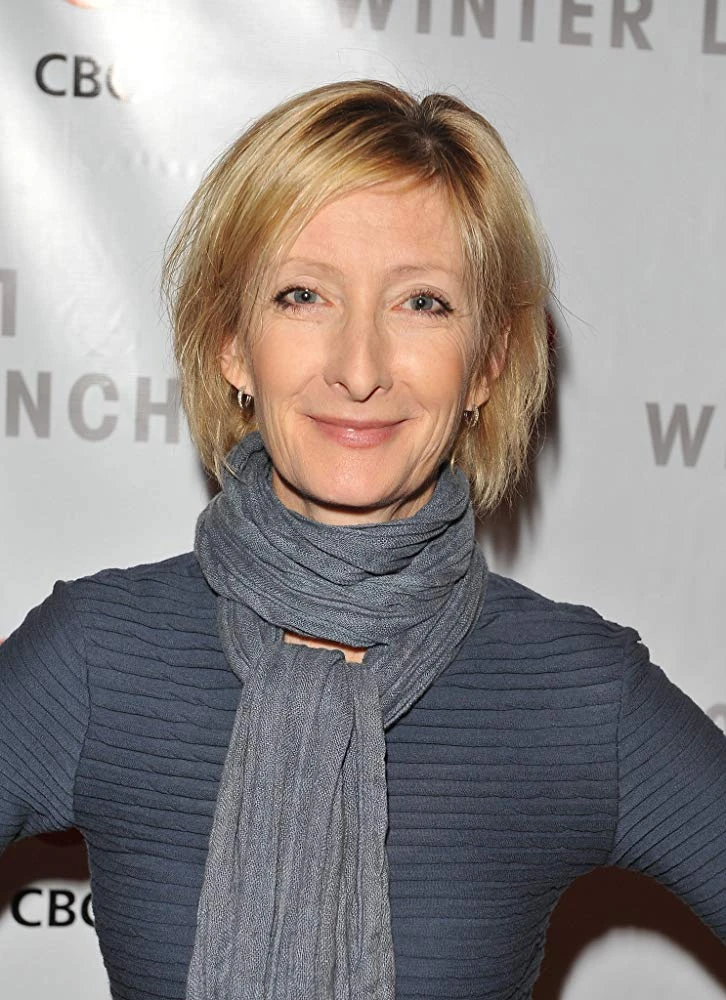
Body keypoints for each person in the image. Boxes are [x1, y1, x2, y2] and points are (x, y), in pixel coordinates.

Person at [0, 79, 724, 1000]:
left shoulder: (581, 693)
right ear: (231, 344)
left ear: (487, 365)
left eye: (422, 303)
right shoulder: (98, 656)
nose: (359, 369)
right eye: (303, 295)